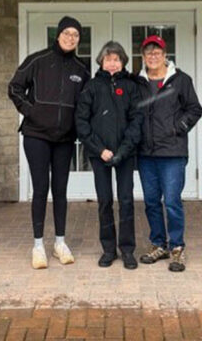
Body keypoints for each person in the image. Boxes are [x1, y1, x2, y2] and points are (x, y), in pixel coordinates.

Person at [8, 16, 90, 269]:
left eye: (75, 35)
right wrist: (32, 112)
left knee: (61, 190)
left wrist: (79, 128)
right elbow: (14, 88)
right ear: (57, 35)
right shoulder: (38, 60)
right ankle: (38, 245)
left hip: (65, 139)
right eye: (66, 33)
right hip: (36, 136)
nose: (70, 38)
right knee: (41, 188)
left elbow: (86, 105)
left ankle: (60, 243)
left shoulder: (81, 69)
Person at [133, 35, 202, 272]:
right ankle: (158, 245)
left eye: (157, 52)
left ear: (165, 55)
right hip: (146, 154)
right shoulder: (138, 82)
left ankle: (176, 247)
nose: (153, 57)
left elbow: (195, 109)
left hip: (172, 153)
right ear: (143, 57)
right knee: (152, 202)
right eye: (148, 53)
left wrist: (178, 128)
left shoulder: (181, 80)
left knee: (172, 202)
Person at [75, 41, 143, 270]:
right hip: (99, 154)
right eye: (108, 59)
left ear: (122, 61)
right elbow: (81, 122)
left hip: (125, 154)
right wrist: (100, 150)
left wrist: (123, 150)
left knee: (125, 201)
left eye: (116, 59)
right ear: (101, 62)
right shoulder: (92, 86)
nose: (112, 63)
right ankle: (108, 249)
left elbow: (137, 120)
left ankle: (127, 250)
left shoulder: (131, 87)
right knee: (104, 201)